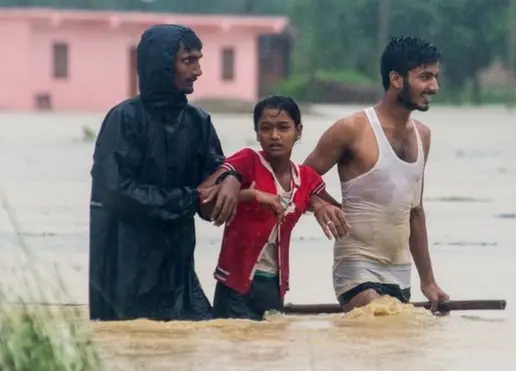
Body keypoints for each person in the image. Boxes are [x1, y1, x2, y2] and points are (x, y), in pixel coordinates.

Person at [88, 25, 242, 321]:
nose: (198, 70)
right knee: (133, 348)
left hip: (179, 273)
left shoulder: (198, 121)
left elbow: (217, 173)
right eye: (188, 61)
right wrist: (189, 199)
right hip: (126, 275)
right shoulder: (124, 119)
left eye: (199, 60)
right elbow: (115, 192)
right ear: (160, 64)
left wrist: (232, 177)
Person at [303, 36, 450, 313]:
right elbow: (298, 178)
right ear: (396, 79)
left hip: (400, 272)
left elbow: (415, 212)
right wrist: (319, 202)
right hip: (356, 267)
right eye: (425, 77)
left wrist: (428, 282)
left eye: (435, 77)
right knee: (379, 320)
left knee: (393, 349)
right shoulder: (352, 129)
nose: (434, 87)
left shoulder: (423, 136)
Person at [198, 95, 348, 321]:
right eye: (266, 128)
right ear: (257, 133)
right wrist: (252, 194)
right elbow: (203, 197)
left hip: (274, 286)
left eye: (283, 128)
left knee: (274, 352)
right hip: (235, 286)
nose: (275, 136)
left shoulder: (306, 177)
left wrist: (319, 205)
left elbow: (334, 206)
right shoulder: (247, 161)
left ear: (298, 132)